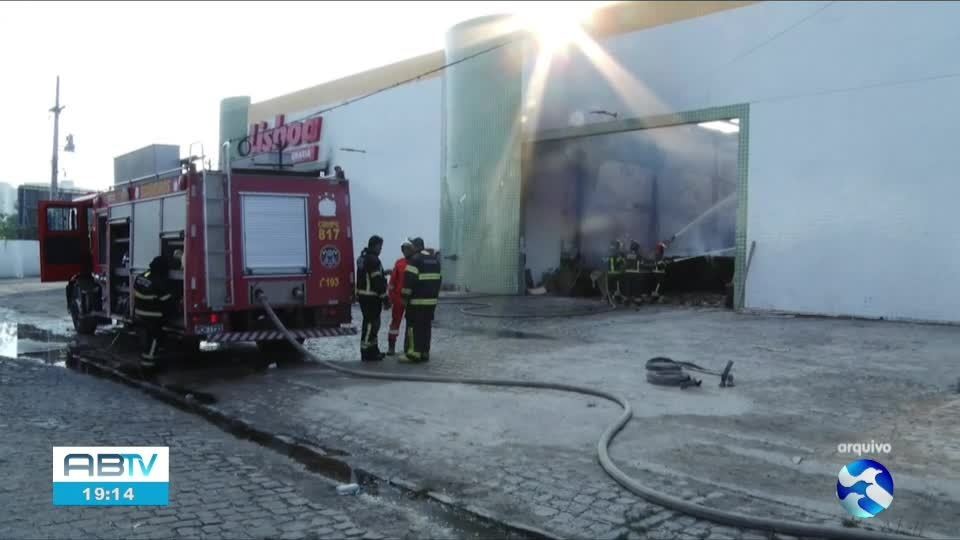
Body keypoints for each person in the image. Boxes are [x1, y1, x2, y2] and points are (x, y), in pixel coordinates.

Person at [401, 237, 441, 363]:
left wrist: (404, 298)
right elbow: (439, 280)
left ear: (415, 246)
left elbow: (409, 281)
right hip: (431, 302)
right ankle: (424, 352)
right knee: (426, 327)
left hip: (416, 302)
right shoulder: (434, 260)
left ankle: (413, 353)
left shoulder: (415, 260)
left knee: (413, 326)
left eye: (412, 246)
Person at [133, 256, 175, 369]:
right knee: (155, 338)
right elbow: (168, 300)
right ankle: (148, 365)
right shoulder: (160, 282)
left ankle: (151, 358)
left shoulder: (142, 276)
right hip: (153, 315)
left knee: (148, 338)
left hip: (139, 313)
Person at [356, 235, 389, 361]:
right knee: (371, 325)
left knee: (373, 324)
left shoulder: (364, 257)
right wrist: (385, 298)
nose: (381, 249)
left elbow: (368, 276)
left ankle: (373, 351)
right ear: (375, 246)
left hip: (365, 297)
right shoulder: (373, 260)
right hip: (371, 298)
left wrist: (384, 273)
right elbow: (377, 281)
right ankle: (367, 352)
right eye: (380, 247)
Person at [387, 241, 415, 355]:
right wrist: (391, 298)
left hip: (412, 298)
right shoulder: (399, 263)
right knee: (395, 323)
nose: (405, 251)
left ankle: (409, 347)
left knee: (411, 323)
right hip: (398, 299)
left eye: (407, 249)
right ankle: (391, 346)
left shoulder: (416, 262)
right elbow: (392, 282)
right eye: (404, 249)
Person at [622, 241, 647, 306]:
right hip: (635, 273)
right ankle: (637, 300)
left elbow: (624, 263)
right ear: (637, 248)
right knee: (636, 287)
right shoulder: (639, 256)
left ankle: (627, 299)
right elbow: (642, 264)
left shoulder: (626, 254)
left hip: (627, 273)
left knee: (628, 287)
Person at [606, 240, 625, 304]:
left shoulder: (608, 252)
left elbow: (604, 261)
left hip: (609, 273)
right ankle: (617, 298)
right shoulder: (619, 253)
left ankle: (609, 299)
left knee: (610, 287)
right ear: (618, 246)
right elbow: (623, 262)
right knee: (617, 286)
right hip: (616, 273)